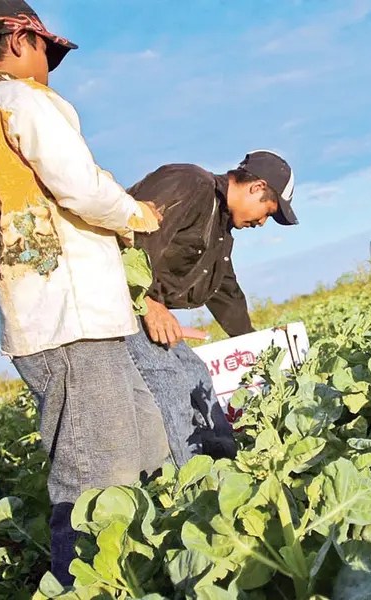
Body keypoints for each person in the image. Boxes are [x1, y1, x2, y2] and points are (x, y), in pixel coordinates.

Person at [0, 0, 170, 585]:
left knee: (145, 437)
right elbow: (81, 187)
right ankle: (82, 587)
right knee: (93, 473)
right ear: (20, 39)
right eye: (47, 50)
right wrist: (136, 213)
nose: (49, 63)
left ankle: (159, 559)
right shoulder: (20, 101)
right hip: (68, 320)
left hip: (55, 319)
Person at [125, 151, 298, 466]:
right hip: (115, 299)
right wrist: (149, 303)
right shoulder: (189, 183)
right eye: (267, 212)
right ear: (257, 187)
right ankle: (191, 481)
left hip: (137, 305)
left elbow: (224, 290)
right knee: (168, 381)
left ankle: (224, 464)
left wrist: (258, 348)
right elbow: (127, 238)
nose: (261, 223)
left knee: (196, 374)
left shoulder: (220, 227)